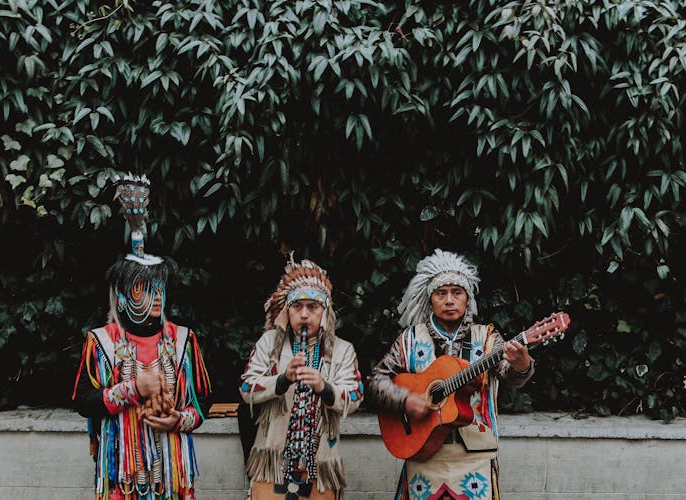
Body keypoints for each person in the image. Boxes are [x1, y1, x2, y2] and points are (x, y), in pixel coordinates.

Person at [72, 174, 210, 500]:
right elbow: (83, 402)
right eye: (144, 289)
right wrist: (132, 389)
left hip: (172, 474)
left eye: (160, 288)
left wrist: (181, 419)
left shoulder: (183, 340)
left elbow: (204, 400)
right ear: (122, 297)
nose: (157, 296)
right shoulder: (101, 342)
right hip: (121, 474)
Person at [368, 249, 534, 499]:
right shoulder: (409, 340)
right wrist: (405, 400)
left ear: (467, 298)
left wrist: (522, 365)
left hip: (475, 459)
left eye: (457, 292)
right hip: (423, 453)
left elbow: (509, 375)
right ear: (429, 299)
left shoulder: (487, 338)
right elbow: (376, 383)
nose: (449, 300)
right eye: (441, 293)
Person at [239, 256, 364, 499]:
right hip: (272, 459)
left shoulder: (342, 350)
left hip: (320, 464)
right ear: (287, 311)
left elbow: (356, 395)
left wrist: (324, 387)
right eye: (297, 307)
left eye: (313, 307)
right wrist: (283, 379)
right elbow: (246, 387)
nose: (304, 315)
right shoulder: (269, 344)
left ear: (325, 311)